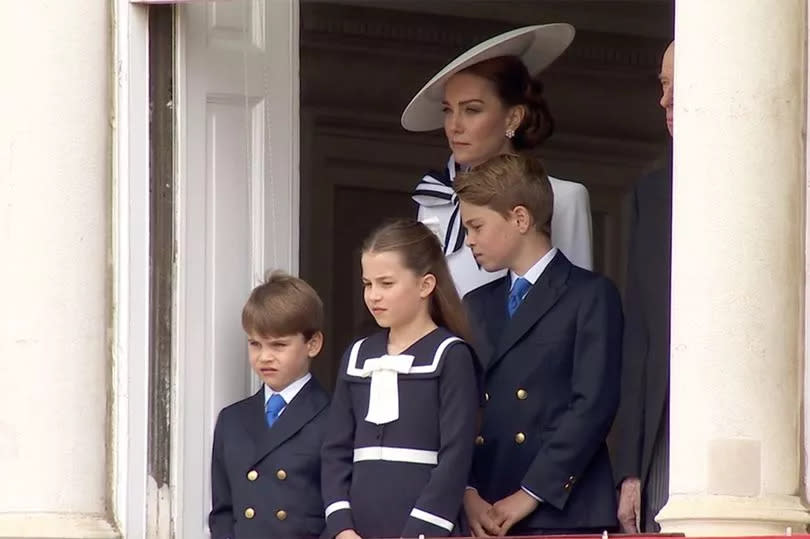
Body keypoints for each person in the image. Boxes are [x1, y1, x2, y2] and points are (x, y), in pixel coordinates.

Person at [457, 154, 622, 535]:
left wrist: (531, 493)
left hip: (561, 507)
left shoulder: (590, 295)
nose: (470, 241)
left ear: (519, 219)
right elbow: (460, 409)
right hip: (487, 506)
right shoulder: (476, 305)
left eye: (477, 226)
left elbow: (593, 405)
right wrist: (468, 494)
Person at [402, 24, 593, 297]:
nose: (454, 125)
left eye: (471, 110)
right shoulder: (436, 199)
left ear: (513, 117)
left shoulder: (563, 197)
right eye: (448, 110)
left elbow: (578, 302)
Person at [321, 219, 479, 539]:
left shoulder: (450, 355)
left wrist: (420, 532)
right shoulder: (357, 356)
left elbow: (455, 458)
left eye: (386, 283)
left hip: (423, 529)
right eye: (368, 284)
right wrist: (342, 527)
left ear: (425, 285)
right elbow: (335, 450)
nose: (373, 295)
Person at [209, 272, 330, 539]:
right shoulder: (232, 420)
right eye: (255, 344)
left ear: (313, 343)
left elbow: (339, 513)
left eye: (279, 345)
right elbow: (223, 512)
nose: (265, 357)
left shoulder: (334, 417)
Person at [611, 40, 674, 533]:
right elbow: (640, 339)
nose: (665, 100)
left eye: (678, 84)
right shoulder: (652, 195)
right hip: (662, 442)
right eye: (663, 84)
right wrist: (630, 472)